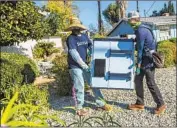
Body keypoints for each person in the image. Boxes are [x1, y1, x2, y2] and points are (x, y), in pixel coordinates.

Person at [65, 17, 112, 116]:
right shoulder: (70, 39)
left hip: (85, 64)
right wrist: (83, 65)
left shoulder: (85, 36)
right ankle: (79, 108)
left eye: (77, 27)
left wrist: (93, 54)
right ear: (71, 28)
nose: (76, 29)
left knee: (93, 82)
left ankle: (101, 103)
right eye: (74, 27)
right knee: (80, 85)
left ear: (80, 27)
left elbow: (90, 46)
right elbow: (73, 53)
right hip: (74, 66)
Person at [127, 11, 166, 115]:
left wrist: (138, 64)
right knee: (138, 80)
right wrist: (133, 40)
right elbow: (143, 42)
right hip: (147, 57)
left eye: (130, 20)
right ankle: (140, 103)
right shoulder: (145, 27)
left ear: (135, 19)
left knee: (150, 83)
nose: (129, 22)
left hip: (147, 60)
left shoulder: (140, 30)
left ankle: (161, 104)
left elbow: (139, 49)